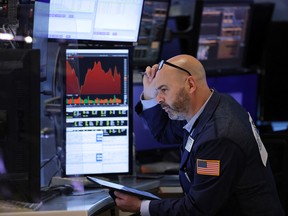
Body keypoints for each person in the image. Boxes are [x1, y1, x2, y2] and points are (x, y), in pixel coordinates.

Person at [112, 54, 285, 215]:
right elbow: (165, 133)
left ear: (190, 85)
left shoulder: (219, 136)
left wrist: (140, 206)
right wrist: (150, 95)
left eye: (164, 90)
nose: (159, 99)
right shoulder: (213, 105)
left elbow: (197, 209)